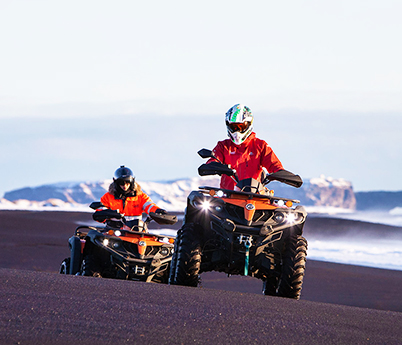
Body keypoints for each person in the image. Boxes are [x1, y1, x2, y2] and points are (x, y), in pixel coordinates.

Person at [207, 104, 284, 190]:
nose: (237, 131)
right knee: (201, 200)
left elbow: (274, 164)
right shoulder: (223, 146)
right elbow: (213, 159)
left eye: (241, 126)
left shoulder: (260, 145)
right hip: (228, 195)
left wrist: (281, 173)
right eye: (234, 127)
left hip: (254, 195)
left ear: (249, 125)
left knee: (277, 203)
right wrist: (213, 166)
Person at [100, 165, 166, 218]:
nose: (125, 186)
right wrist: (100, 215)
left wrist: (158, 210)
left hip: (136, 230)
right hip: (114, 230)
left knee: (150, 235)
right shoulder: (107, 197)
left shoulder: (141, 197)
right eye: (121, 183)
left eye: (127, 183)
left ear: (132, 183)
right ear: (116, 183)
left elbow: (149, 206)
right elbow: (100, 209)